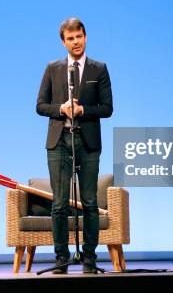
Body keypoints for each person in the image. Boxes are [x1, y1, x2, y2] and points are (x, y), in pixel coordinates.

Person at [36, 18, 113, 274]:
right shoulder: (52, 68)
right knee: (59, 203)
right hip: (59, 141)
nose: (75, 42)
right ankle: (61, 259)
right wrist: (61, 109)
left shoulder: (98, 69)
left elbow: (107, 108)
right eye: (70, 38)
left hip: (88, 141)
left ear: (85, 37)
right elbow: (40, 106)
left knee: (90, 202)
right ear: (63, 42)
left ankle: (89, 258)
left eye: (79, 36)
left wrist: (82, 109)